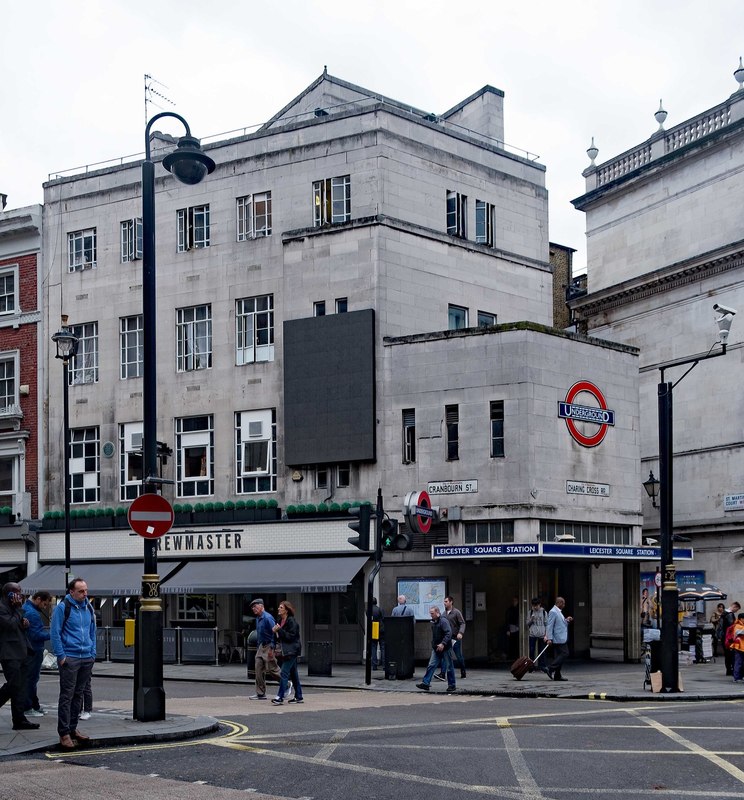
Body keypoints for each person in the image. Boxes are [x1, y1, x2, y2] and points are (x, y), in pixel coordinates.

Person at [50, 578, 95, 749]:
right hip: (70, 658)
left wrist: (92, 653)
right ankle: (64, 733)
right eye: (81, 591)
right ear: (71, 592)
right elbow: (55, 633)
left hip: (86, 658)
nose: (85, 594)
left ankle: (73, 728)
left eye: (86, 590)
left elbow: (92, 631)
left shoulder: (88, 607)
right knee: (67, 696)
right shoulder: (63, 608)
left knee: (79, 695)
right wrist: (61, 656)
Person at [0, 582, 38, 731]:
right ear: (10, 594)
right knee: (14, 685)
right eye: (18, 592)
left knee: (20, 688)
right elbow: (8, 625)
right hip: (9, 653)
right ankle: (19, 719)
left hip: (21, 651)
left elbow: (16, 626)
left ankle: (19, 720)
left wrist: (24, 624)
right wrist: (18, 611)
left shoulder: (14, 608)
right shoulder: (2, 608)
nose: (20, 595)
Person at [22, 590, 52, 717]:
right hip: (34, 650)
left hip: (29, 649)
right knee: (31, 679)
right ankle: (28, 707)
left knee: (31, 679)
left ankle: (34, 706)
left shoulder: (26, 608)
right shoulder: (32, 613)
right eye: (44, 604)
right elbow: (35, 635)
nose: (44, 607)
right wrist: (52, 635)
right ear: (38, 599)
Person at [416, 606, 456, 693]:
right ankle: (425, 683)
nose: (431, 615)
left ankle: (452, 685)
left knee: (449, 667)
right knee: (431, 665)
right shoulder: (434, 622)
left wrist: (443, 643)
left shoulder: (443, 621)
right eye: (430, 613)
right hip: (436, 648)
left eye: (432, 613)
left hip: (445, 648)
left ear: (437, 613)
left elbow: (448, 633)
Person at [271, 600, 303, 705]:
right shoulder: (280, 621)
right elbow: (280, 637)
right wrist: (276, 632)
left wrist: (279, 630)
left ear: (286, 610)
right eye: (279, 607)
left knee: (284, 673)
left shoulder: (291, 621)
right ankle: (298, 696)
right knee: (294, 674)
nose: (278, 609)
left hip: (292, 651)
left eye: (281, 607)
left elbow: (291, 637)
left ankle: (280, 697)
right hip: (285, 651)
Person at [248, 598, 281, 700]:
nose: (254, 609)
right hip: (261, 646)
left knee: (272, 669)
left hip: (268, 646)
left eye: (255, 606)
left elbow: (275, 633)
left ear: (262, 606)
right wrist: (259, 646)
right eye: (252, 607)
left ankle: (286, 683)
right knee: (258, 669)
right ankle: (260, 693)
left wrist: (272, 648)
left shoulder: (268, 618)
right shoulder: (258, 618)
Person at [437, 595, 466, 680]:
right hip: (447, 638)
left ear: (451, 602)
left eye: (446, 601)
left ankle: (463, 671)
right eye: (444, 601)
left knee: (458, 656)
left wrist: (460, 633)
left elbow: (462, 623)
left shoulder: (456, 612)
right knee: (445, 655)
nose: (444, 603)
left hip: (455, 638)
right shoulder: (443, 614)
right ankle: (442, 674)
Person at [544, 596, 573, 681]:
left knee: (558, 656)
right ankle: (550, 668)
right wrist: (549, 638)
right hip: (558, 638)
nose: (564, 605)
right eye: (563, 603)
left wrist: (566, 620)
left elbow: (560, 623)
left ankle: (557, 675)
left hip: (560, 637)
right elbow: (550, 626)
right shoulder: (553, 612)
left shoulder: (558, 612)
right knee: (565, 653)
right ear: (559, 603)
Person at [719, 601, 741, 676]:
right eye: (736, 610)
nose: (736, 611)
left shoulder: (723, 613)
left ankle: (728, 669)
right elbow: (732, 626)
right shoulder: (730, 615)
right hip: (728, 637)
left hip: (723, 636)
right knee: (731, 654)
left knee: (727, 654)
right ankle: (731, 669)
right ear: (734, 607)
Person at [526, 597, 548, 664]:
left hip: (542, 634)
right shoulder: (530, 612)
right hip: (532, 634)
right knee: (531, 650)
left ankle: (542, 667)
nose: (535, 607)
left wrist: (546, 635)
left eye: (537, 605)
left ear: (540, 604)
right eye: (534, 605)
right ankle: (531, 667)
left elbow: (547, 624)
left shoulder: (544, 612)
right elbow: (527, 623)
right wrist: (531, 619)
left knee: (542, 651)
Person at [370, 597, 385, 670]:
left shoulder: (368, 610)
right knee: (382, 647)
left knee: (373, 647)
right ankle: (384, 665)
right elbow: (383, 618)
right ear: (376, 602)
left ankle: (374, 665)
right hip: (381, 629)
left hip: (373, 629)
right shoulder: (380, 609)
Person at [730, 612, 744, 682]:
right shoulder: (737, 626)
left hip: (742, 647)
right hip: (738, 647)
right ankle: (737, 678)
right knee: (738, 663)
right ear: (741, 619)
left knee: (741, 663)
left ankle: (740, 676)